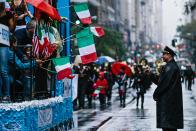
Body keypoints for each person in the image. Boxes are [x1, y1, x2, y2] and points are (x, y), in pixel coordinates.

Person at [149, 46, 183, 131]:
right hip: (169, 103)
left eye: (164, 54)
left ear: (169, 55)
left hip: (169, 103)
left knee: (169, 128)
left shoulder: (171, 67)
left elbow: (164, 84)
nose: (162, 56)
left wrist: (156, 94)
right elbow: (160, 81)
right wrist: (150, 74)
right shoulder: (169, 66)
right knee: (169, 127)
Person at [0, 1, 16, 102]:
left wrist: (14, 19)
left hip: (3, 44)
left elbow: (12, 29)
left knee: (3, 71)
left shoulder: (8, 14)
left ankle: (7, 95)